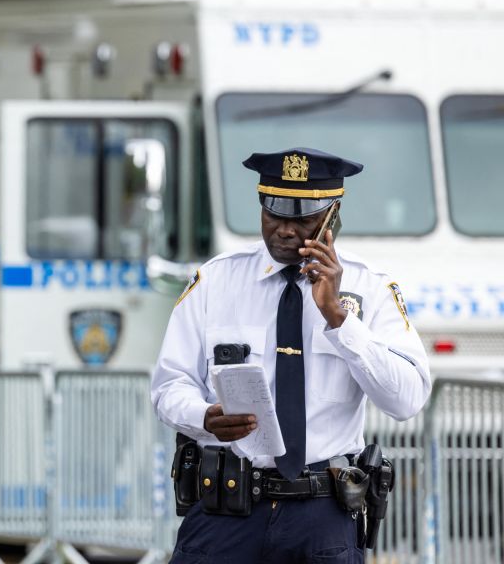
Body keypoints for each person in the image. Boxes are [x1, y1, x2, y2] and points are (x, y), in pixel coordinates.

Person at [151, 147, 431, 563]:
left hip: (322, 515)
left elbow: (407, 399)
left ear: (332, 217)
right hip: (227, 506)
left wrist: (338, 318)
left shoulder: (370, 289)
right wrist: (202, 416)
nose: (284, 230)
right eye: (273, 214)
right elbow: (168, 385)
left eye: (302, 219)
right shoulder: (216, 281)